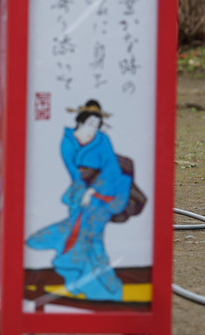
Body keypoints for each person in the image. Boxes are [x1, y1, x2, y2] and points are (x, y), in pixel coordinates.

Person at [26, 100, 141, 302]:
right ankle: (78, 280)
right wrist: (83, 192)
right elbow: (72, 173)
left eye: (97, 126)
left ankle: (106, 288)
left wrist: (95, 190)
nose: (93, 130)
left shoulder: (102, 139)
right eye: (90, 124)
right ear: (80, 122)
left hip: (108, 190)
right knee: (76, 231)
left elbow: (112, 169)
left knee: (92, 235)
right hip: (79, 190)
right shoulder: (67, 140)